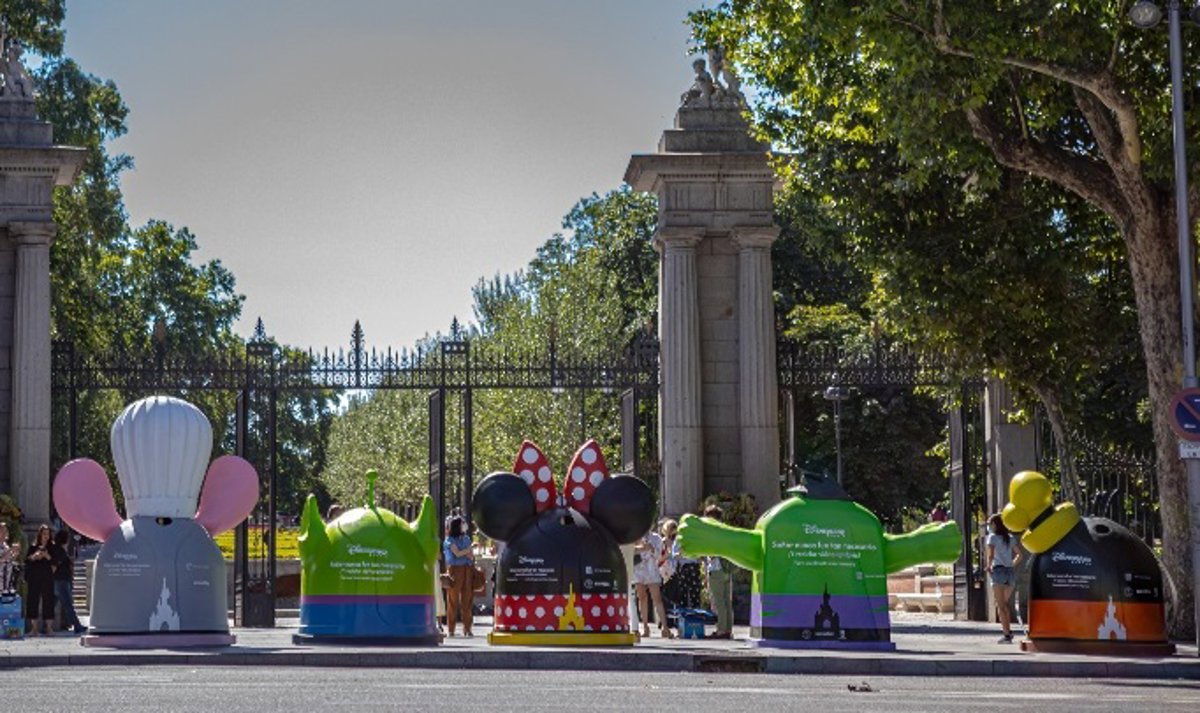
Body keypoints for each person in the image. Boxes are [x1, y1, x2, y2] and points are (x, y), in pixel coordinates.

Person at [986, 512, 1022, 643]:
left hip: (998, 571)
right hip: (1010, 573)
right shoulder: (1010, 537)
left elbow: (990, 555)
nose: (989, 527)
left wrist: (988, 566)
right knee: (1005, 604)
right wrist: (1011, 564)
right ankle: (1008, 632)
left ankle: (1007, 634)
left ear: (995, 524)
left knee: (1001, 606)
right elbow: (1020, 555)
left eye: (990, 524)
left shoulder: (992, 537)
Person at [632, 528, 673, 639]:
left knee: (657, 598)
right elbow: (631, 551)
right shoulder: (636, 536)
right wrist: (641, 547)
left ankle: (665, 627)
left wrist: (652, 549)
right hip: (639, 569)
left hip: (651, 569)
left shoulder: (656, 538)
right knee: (642, 598)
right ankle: (645, 627)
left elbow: (660, 556)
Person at [702, 505, 733, 639]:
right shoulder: (725, 530)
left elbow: (711, 552)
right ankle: (728, 629)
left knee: (719, 601)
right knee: (727, 601)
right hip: (726, 568)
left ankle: (721, 630)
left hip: (716, 568)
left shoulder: (711, 532)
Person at [442, 516, 474, 637]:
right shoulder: (449, 540)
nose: (464, 525)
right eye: (462, 524)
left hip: (467, 569)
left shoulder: (466, 538)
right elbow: (457, 553)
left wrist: (466, 553)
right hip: (455, 570)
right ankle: (451, 629)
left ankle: (467, 628)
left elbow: (469, 555)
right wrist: (467, 551)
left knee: (467, 600)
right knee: (453, 600)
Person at [50, 530, 86, 634]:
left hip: (59, 580)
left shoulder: (59, 550)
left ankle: (46, 625)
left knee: (52, 604)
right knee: (68, 604)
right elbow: (55, 565)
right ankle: (77, 626)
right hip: (61, 580)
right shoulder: (60, 551)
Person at [24, 524, 55, 636]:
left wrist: (47, 556)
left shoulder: (52, 547)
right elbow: (27, 560)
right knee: (33, 601)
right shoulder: (33, 546)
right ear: (40, 534)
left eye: (48, 534)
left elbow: (56, 562)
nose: (46, 536)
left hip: (47, 577)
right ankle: (34, 628)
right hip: (35, 577)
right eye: (44, 534)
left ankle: (49, 628)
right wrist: (35, 556)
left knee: (48, 601)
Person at [667, 519, 702, 611]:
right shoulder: (679, 539)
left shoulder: (695, 539)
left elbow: (700, 556)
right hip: (684, 567)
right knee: (683, 594)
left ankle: (696, 614)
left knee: (695, 594)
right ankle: (684, 615)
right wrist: (682, 553)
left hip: (694, 567)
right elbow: (674, 556)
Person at [0, 521, 20, 593]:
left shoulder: (6, 545)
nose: (4, 533)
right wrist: (11, 550)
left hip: (6, 580)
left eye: (5, 531)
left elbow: (9, 560)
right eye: (2, 531)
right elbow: (1, 560)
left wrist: (16, 553)